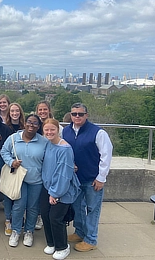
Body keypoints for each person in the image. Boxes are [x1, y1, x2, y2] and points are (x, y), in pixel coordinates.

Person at [63, 103, 113, 252]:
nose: (77, 116)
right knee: (77, 207)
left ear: (87, 115)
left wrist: (101, 178)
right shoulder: (66, 131)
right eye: (74, 114)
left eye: (80, 114)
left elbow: (106, 155)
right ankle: (80, 232)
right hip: (75, 179)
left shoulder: (98, 133)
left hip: (92, 179)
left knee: (92, 209)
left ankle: (91, 239)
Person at [0, 114, 49, 247]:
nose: (31, 125)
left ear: (39, 127)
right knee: (19, 206)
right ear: (25, 123)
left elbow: (50, 158)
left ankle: (29, 231)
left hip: (36, 180)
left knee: (33, 207)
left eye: (35, 123)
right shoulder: (13, 138)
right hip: (18, 179)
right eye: (29, 122)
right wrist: (11, 162)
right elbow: (4, 151)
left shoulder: (44, 141)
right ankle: (16, 231)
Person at [40, 118, 81, 260]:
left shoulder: (65, 149)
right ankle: (52, 243)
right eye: (46, 130)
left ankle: (62, 247)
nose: (49, 132)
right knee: (45, 214)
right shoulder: (49, 144)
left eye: (52, 129)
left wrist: (55, 194)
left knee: (56, 218)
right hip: (48, 186)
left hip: (62, 190)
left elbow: (64, 174)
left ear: (58, 130)